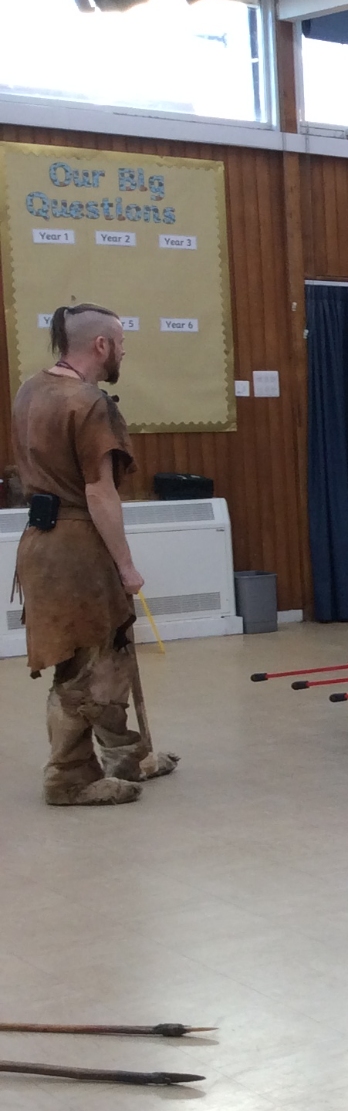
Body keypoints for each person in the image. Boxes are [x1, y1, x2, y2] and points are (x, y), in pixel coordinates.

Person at [11, 302, 175, 806]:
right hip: (77, 547)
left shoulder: (31, 389)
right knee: (89, 667)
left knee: (107, 652)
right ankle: (69, 777)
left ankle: (126, 756)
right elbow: (100, 492)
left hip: (41, 543)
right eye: (121, 343)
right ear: (101, 345)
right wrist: (126, 566)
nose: (124, 351)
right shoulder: (89, 403)